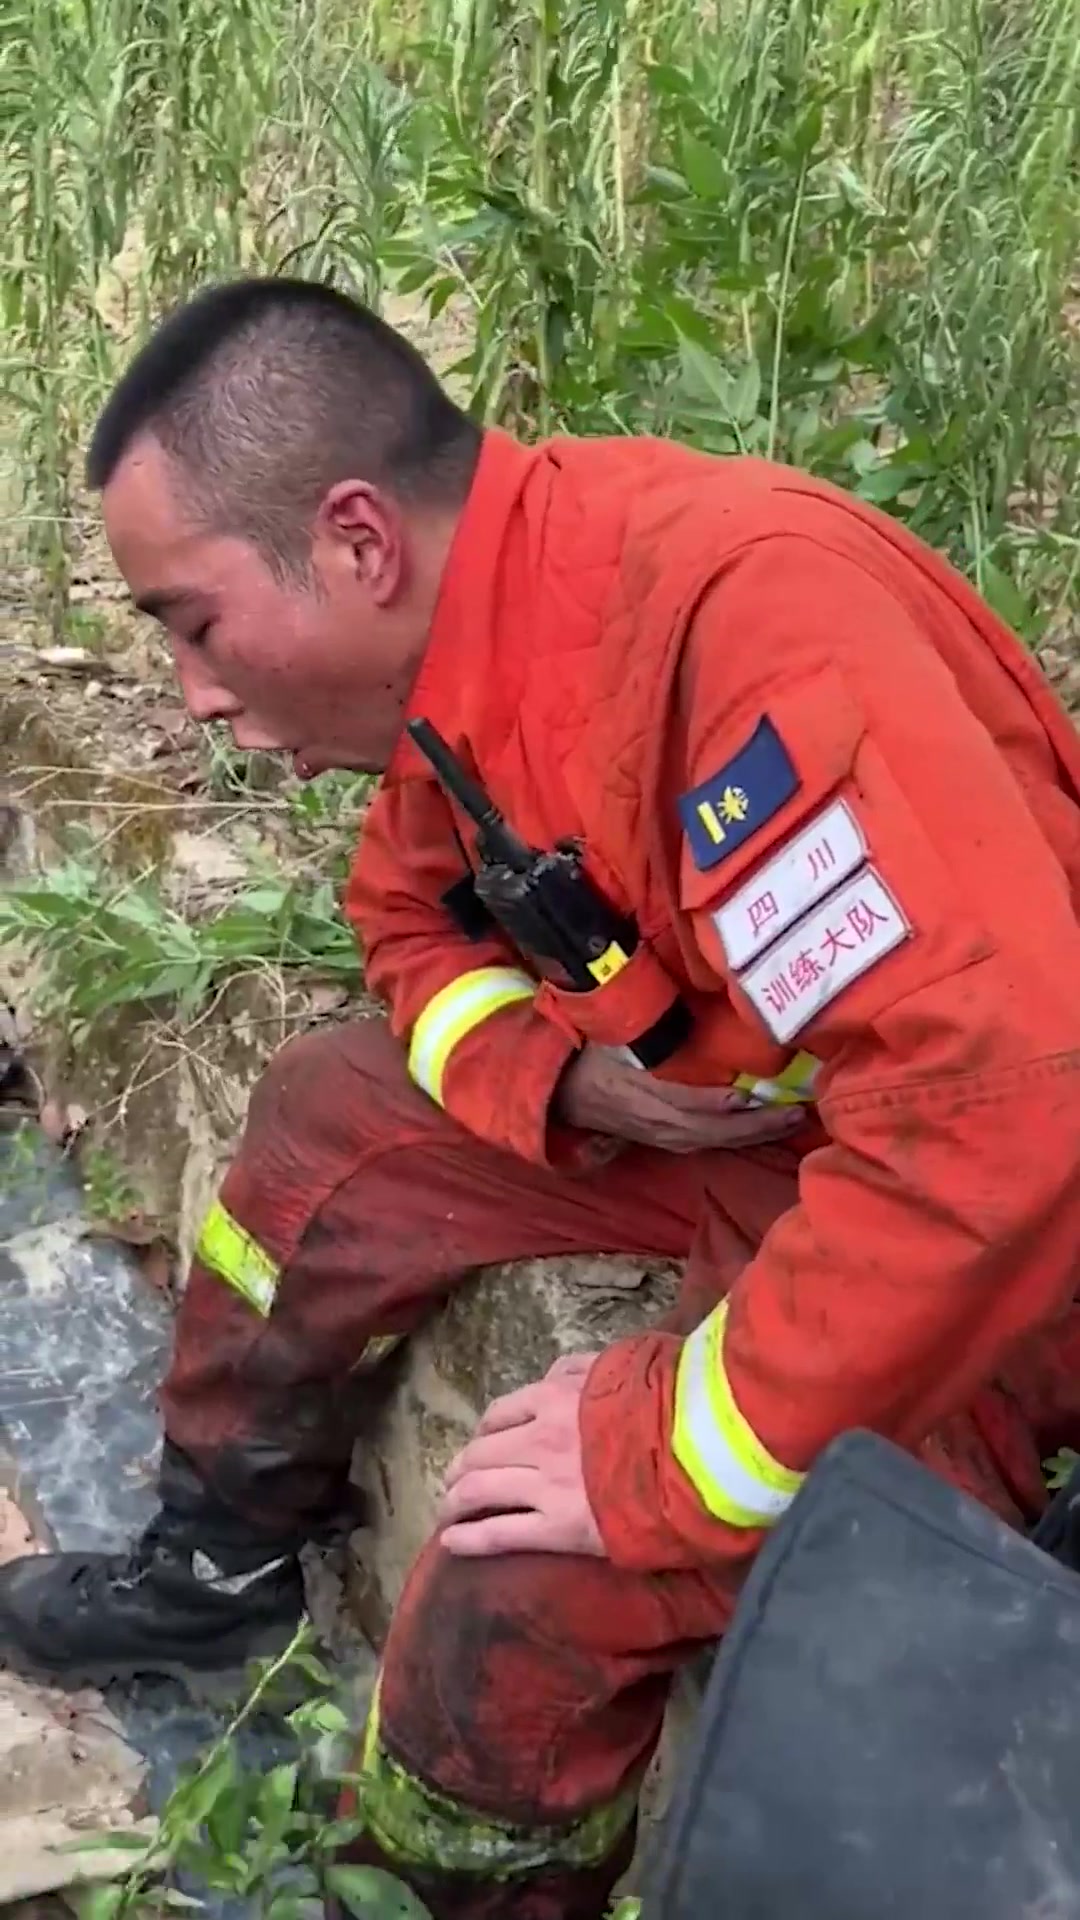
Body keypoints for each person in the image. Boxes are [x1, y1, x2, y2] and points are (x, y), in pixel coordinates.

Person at [3, 274, 1080, 1920]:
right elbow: (401, 912)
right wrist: (557, 1073)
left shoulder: (741, 630)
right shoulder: (497, 630)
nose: (195, 698)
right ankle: (214, 1568)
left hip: (961, 1230)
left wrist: (661, 1448)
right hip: (748, 1125)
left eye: (196, 625)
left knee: (523, 1584)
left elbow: (1000, 1121)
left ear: (358, 540)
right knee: (321, 1127)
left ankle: (456, 1888)